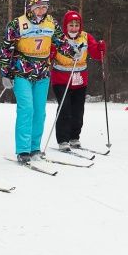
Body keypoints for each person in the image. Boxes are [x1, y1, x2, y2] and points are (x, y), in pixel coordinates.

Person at [0, 0, 77, 164]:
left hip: (42, 72)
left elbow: (61, 41)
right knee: (26, 109)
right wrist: (5, 72)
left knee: (39, 112)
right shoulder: (17, 24)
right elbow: (6, 49)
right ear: (30, 7)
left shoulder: (51, 23)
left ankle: (35, 148)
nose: (42, 10)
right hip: (22, 71)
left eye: (44, 6)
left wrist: (73, 52)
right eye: (38, 7)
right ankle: (23, 149)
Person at [50, 10, 106, 150]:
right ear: (66, 26)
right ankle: (63, 139)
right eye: (71, 25)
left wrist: (100, 49)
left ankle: (74, 137)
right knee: (65, 108)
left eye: (76, 25)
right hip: (61, 78)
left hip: (80, 79)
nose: (74, 28)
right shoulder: (59, 38)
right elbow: (50, 53)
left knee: (78, 110)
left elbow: (96, 54)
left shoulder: (86, 37)